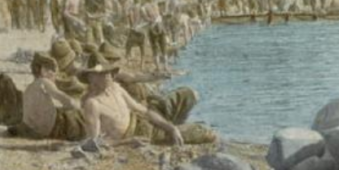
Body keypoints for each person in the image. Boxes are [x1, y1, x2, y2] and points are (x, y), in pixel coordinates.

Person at [80, 53, 216, 146]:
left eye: (108, 72)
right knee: (205, 133)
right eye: (101, 74)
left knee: (186, 103)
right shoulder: (92, 104)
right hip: (139, 137)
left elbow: (144, 111)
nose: (107, 76)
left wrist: (170, 128)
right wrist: (127, 143)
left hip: (145, 125)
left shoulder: (116, 89)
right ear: (91, 78)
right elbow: (94, 142)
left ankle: (175, 124)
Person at [14, 52, 85, 140]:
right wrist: (76, 105)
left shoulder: (30, 87)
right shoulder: (44, 81)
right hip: (46, 129)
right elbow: (60, 96)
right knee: (75, 117)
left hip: (31, 127)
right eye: (53, 71)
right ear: (44, 70)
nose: (55, 75)